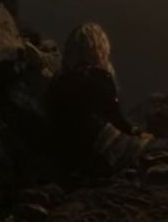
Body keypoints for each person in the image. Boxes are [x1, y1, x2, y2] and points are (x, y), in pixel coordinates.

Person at [47, 22, 148, 176]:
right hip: (93, 153)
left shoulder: (59, 78)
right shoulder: (100, 77)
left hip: (63, 155)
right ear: (100, 48)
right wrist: (138, 132)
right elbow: (117, 119)